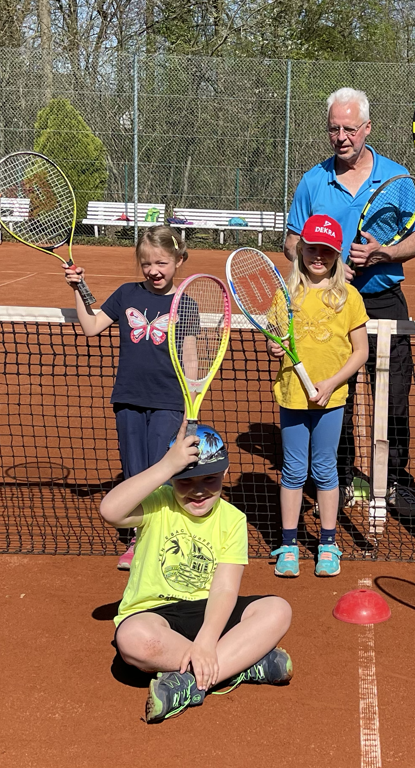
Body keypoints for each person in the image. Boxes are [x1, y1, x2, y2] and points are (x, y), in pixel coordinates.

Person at [285, 87, 415, 517]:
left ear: (367, 128)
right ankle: (340, 479)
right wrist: (327, 269)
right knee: (333, 395)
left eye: (349, 128)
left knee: (393, 395)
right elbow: (292, 240)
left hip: (384, 300)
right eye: (334, 129)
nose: (342, 136)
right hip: (328, 305)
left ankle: (393, 480)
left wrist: (384, 252)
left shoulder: (396, 178)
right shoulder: (313, 181)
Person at [103, 420, 295, 724]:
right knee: (132, 638)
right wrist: (167, 466)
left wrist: (206, 641)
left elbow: (224, 589)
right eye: (185, 481)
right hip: (155, 614)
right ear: (171, 480)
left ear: (224, 473)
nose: (198, 492)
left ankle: (189, 683)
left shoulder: (233, 519)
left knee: (277, 610)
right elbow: (110, 510)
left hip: (209, 614)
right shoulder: (158, 504)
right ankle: (242, 665)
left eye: (209, 480)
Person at [65, 225, 190, 570]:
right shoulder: (126, 294)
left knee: (160, 469)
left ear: (178, 260)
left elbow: (192, 359)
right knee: (135, 471)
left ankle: (163, 535)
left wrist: (191, 408)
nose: (154, 271)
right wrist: (77, 289)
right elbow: (91, 327)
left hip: (170, 401)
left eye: (162, 263)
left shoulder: (187, 302)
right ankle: (139, 537)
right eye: (147, 263)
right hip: (129, 398)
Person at [269, 214, 370, 578]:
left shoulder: (349, 298)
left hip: (331, 399)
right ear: (300, 250)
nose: (318, 257)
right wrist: (273, 347)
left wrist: (331, 383)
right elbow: (275, 338)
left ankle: (327, 542)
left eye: (326, 251)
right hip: (293, 396)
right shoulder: (286, 295)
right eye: (312, 249)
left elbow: (360, 352)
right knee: (294, 470)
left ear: (336, 255)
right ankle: (290, 543)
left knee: (325, 469)